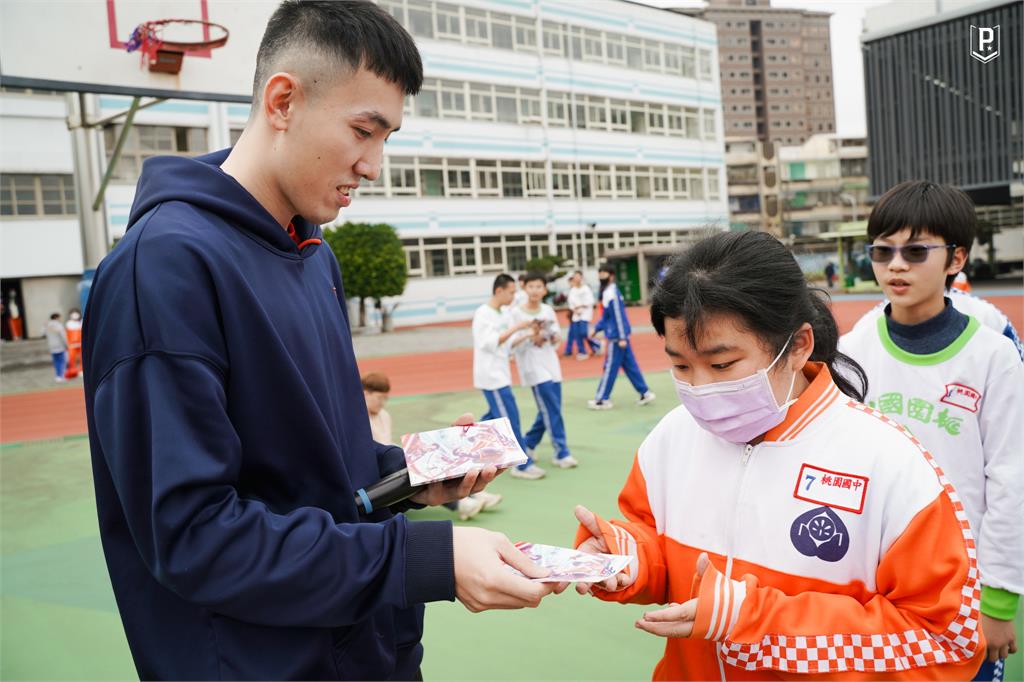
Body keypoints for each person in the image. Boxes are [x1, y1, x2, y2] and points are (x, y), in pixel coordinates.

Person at [81, 3, 556, 679]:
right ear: (283, 100)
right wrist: (425, 560)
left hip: (364, 649)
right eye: (364, 131)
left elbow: (309, 466)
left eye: (387, 137)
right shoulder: (163, 267)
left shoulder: (312, 252)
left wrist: (407, 477)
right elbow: (194, 537)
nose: (374, 165)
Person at [571, 230, 986, 680]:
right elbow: (654, 539)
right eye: (680, 365)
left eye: (723, 364)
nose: (700, 387)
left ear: (798, 345)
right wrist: (625, 557)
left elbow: (946, 642)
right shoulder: (672, 436)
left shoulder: (892, 464)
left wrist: (754, 621)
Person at [838, 181, 1022, 680]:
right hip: (873, 585)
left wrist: (1000, 603)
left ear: (956, 259)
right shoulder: (852, 350)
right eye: (882, 251)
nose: (896, 265)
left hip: (962, 589)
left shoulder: (993, 357)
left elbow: (1010, 480)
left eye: (916, 251)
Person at [364, 370, 501, 522]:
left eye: (385, 398)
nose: (382, 402)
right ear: (366, 393)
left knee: (437, 458)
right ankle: (462, 504)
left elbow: (388, 443)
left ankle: (476, 494)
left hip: (392, 467)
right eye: (379, 398)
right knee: (425, 469)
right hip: (380, 477)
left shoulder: (384, 415)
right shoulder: (359, 419)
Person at [508, 272, 577, 472]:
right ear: (524, 288)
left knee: (550, 408)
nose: (535, 290)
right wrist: (531, 335)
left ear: (545, 289)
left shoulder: (547, 310)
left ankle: (529, 443)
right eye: (531, 286)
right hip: (532, 367)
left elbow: (557, 338)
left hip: (550, 363)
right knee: (551, 407)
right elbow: (512, 344)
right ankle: (561, 452)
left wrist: (551, 337)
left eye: (539, 286)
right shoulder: (516, 314)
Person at [588, 263, 655, 410]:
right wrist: (596, 329)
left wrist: (623, 336)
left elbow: (618, 316)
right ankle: (644, 392)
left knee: (610, 368)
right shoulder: (607, 292)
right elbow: (607, 317)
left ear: (611, 276)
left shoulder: (611, 292)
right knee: (630, 366)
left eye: (604, 273)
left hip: (617, 338)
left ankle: (601, 399)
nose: (601, 275)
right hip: (617, 336)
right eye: (600, 273)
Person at [563, 270, 599, 360]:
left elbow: (590, 301)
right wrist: (574, 309)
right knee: (576, 333)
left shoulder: (586, 288)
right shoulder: (573, 290)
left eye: (578, 276)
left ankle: (596, 344)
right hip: (576, 315)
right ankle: (582, 351)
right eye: (575, 276)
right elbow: (571, 303)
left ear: (581, 277)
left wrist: (581, 307)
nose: (577, 278)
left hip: (585, 314)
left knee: (583, 333)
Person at [43, 312, 68, 383]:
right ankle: (62, 376)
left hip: (51, 346)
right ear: (56, 317)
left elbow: (43, 333)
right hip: (60, 346)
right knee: (62, 361)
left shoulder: (47, 325)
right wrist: (67, 344)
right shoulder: (59, 325)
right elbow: (63, 336)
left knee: (56, 362)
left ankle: (58, 376)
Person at [64, 308, 83, 379]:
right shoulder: (69, 323)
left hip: (81, 343)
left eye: (76, 313)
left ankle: (81, 371)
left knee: (82, 358)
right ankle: (73, 371)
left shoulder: (81, 322)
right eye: (73, 313)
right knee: (72, 358)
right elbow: (67, 335)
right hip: (72, 344)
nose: (75, 315)